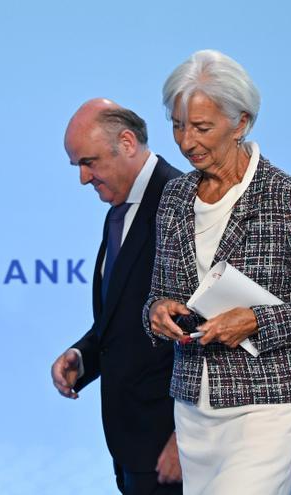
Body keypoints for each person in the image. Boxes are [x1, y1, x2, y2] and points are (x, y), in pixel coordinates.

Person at [144, 49, 291, 494]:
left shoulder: (288, 197)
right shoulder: (174, 197)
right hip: (195, 404)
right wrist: (157, 311)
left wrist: (256, 321)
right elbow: (159, 293)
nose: (186, 141)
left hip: (272, 401)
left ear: (240, 122)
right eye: (178, 125)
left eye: (201, 127)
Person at [51, 98, 183, 495]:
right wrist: (84, 356)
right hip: (133, 447)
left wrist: (189, 434)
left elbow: (204, 328)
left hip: (175, 449)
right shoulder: (118, 211)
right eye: (77, 166)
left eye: (88, 162)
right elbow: (125, 316)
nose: (83, 178)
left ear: (127, 143)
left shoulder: (181, 203)